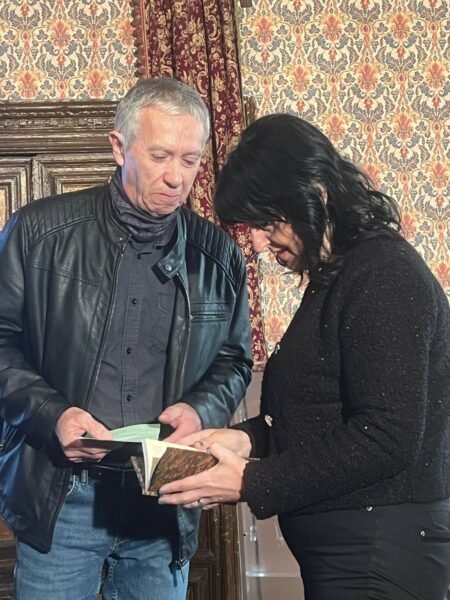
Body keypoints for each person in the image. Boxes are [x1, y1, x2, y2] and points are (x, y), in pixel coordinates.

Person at [158, 113, 450, 600]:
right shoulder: (341, 275)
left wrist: (251, 480)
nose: (257, 242)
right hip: (356, 553)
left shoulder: (384, 275)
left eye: (266, 223)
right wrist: (245, 438)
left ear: (314, 194)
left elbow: (387, 437)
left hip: (378, 555)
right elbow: (318, 414)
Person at [0, 77, 252, 600]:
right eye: (160, 156)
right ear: (119, 147)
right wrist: (54, 415)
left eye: (190, 160)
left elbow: (233, 360)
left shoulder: (219, 255)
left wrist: (201, 410)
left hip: (165, 494)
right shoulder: (36, 232)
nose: (176, 177)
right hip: (61, 496)